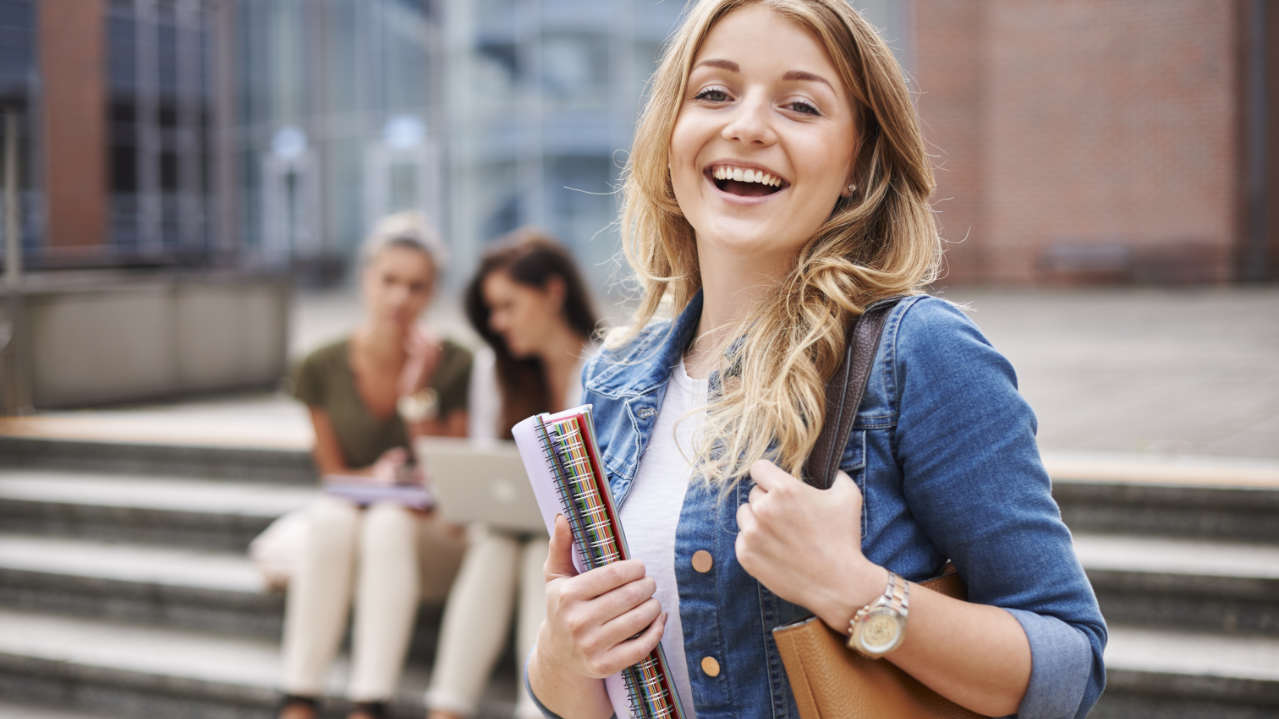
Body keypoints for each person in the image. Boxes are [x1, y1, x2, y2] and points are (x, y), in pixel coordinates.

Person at [525, 2, 1107, 718]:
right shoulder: (610, 379)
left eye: (799, 105)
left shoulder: (916, 353)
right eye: (713, 93)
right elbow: (579, 695)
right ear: (669, 134)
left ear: (857, 164)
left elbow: (1067, 666)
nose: (745, 125)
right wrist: (562, 647)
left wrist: (850, 588)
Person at [278, 212, 473, 719]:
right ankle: (299, 696)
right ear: (366, 279)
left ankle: (370, 703)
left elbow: (449, 480)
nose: (399, 298)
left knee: (386, 521)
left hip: (424, 538)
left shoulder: (453, 362)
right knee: (330, 514)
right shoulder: (319, 364)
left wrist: (416, 394)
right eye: (389, 281)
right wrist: (378, 480)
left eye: (416, 286)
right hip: (352, 530)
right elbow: (332, 475)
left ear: (431, 293)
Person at [425, 229, 600, 719]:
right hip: (508, 531)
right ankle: (446, 708)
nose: (498, 323)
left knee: (535, 559)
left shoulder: (607, 367)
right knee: (497, 543)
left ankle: (537, 708)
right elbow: (487, 465)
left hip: (578, 541)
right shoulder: (494, 368)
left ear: (552, 292)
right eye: (491, 311)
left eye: (508, 305)